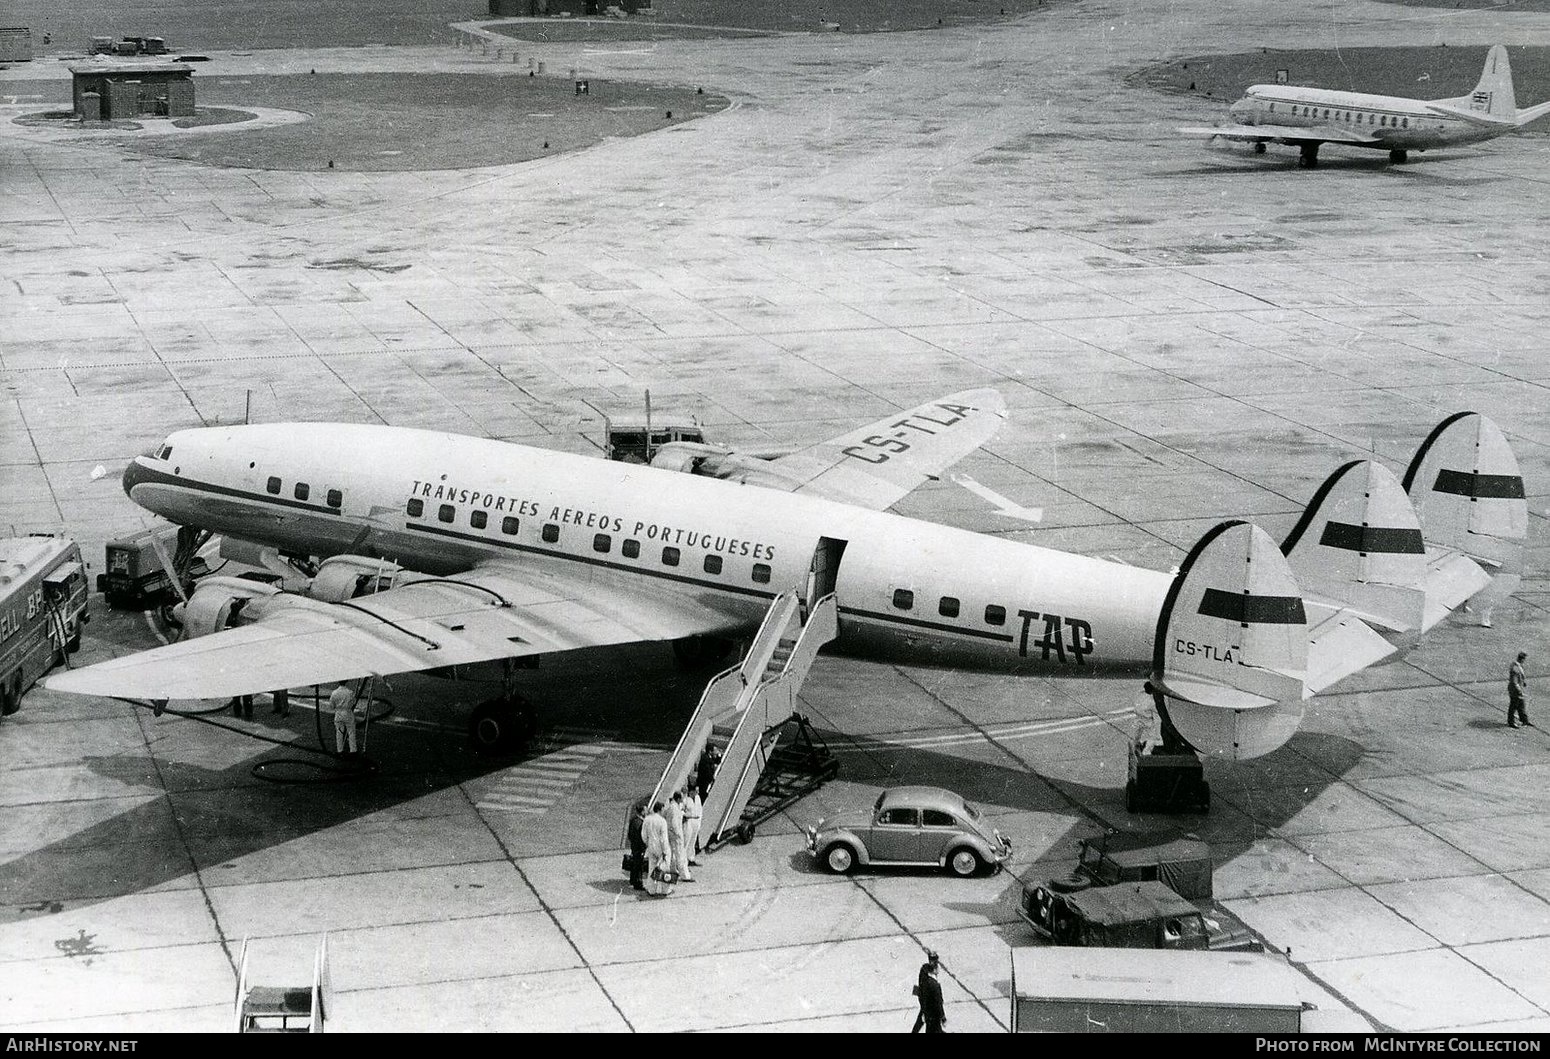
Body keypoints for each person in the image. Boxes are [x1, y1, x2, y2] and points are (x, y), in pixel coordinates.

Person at [643, 801, 672, 897]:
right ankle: (665, 890)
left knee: (652, 867)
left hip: (651, 846)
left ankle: (651, 889)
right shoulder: (662, 821)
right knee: (664, 868)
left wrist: (648, 843)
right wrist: (665, 851)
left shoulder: (647, 819)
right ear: (660, 809)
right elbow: (664, 838)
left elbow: (643, 835)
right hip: (660, 847)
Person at [912, 950, 945, 1033]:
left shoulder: (923, 970)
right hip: (931, 1010)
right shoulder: (935, 985)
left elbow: (920, 987)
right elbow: (938, 1002)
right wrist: (942, 1016)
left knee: (920, 1025)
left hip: (925, 1003)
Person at [330, 680, 361, 756]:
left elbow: (331, 706)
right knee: (351, 732)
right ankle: (353, 750)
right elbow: (353, 702)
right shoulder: (350, 692)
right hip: (348, 713)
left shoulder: (334, 693)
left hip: (338, 714)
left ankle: (340, 750)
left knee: (339, 732)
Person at [666, 790, 690, 882]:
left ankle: (673, 870)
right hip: (676, 835)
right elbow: (674, 824)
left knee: (673, 855)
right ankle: (685, 875)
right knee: (680, 854)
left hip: (671, 834)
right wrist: (678, 835)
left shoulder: (673, 807)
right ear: (679, 798)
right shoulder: (674, 808)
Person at [627, 800, 648, 891]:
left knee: (635, 863)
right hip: (639, 847)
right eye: (646, 810)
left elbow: (629, 835)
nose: (647, 812)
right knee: (638, 865)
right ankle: (638, 883)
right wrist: (644, 847)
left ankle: (632, 879)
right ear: (642, 811)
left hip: (634, 846)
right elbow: (641, 837)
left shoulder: (633, 820)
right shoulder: (640, 823)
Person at [1509, 651, 1531, 728]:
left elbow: (1520, 677)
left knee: (1521, 704)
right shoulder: (1515, 668)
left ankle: (1524, 720)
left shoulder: (1518, 666)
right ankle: (1511, 722)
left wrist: (1523, 682)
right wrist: (1519, 691)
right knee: (1514, 706)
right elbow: (1514, 682)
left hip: (1518, 688)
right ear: (1522, 659)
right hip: (1515, 690)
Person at [682, 784, 703, 865]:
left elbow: (700, 810)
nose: (697, 792)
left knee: (693, 841)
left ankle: (691, 858)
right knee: (686, 841)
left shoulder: (698, 798)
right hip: (689, 822)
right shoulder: (686, 800)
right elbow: (682, 811)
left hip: (696, 822)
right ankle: (684, 862)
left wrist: (699, 821)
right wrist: (686, 816)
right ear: (691, 791)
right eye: (696, 791)